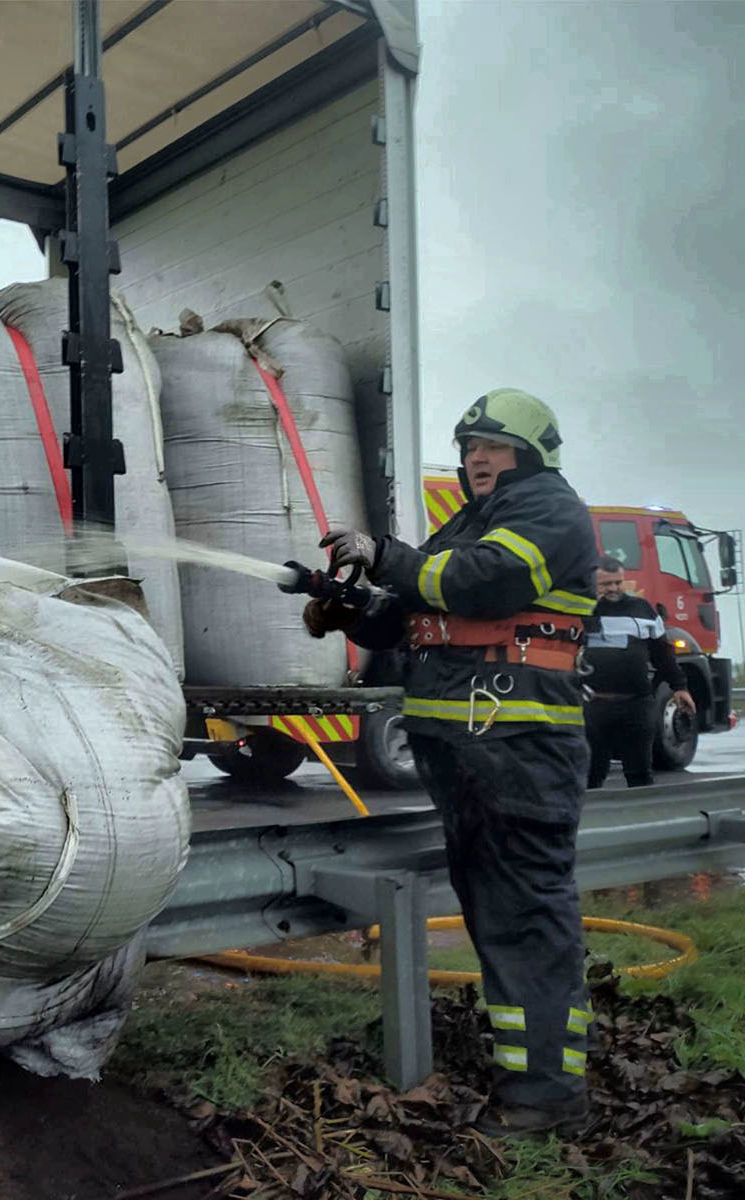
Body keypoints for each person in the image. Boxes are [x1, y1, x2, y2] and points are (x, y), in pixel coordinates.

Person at [298, 388, 598, 1137]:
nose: (477, 459)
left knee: (525, 915)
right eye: (469, 448)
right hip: (471, 749)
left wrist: (388, 557)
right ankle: (526, 1075)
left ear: (531, 455)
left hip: (519, 749)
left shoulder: (550, 510)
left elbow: (486, 581)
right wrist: (346, 602)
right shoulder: (470, 522)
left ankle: (550, 1097)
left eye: (494, 447)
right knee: (500, 914)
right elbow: (417, 612)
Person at [583, 555, 695, 788]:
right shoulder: (580, 610)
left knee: (640, 773)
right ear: (592, 583)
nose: (613, 589)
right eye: (606, 584)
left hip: (637, 704)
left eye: (618, 582)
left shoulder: (642, 609)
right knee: (591, 774)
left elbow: (662, 654)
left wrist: (680, 687)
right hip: (593, 705)